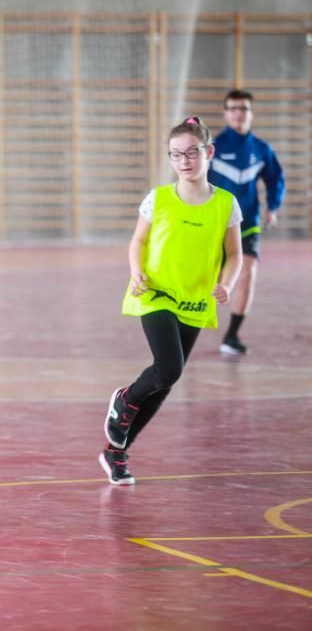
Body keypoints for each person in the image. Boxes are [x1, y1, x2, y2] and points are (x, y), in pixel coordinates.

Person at [100, 117, 243, 485]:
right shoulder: (158, 198)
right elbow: (139, 241)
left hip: (195, 300)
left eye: (191, 153)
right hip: (155, 293)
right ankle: (125, 400)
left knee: (164, 384)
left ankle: (116, 452)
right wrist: (135, 272)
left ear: (208, 153)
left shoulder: (226, 204)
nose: (184, 161)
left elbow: (234, 254)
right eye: (176, 154)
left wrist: (227, 283)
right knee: (169, 368)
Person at [207, 90, 286, 355]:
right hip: (213, 224)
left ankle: (231, 335)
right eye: (233, 108)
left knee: (248, 271)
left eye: (244, 108)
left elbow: (275, 179)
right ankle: (186, 326)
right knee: (211, 280)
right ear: (225, 113)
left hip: (248, 221)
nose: (239, 113)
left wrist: (273, 207)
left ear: (251, 113)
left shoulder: (262, 150)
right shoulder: (212, 148)